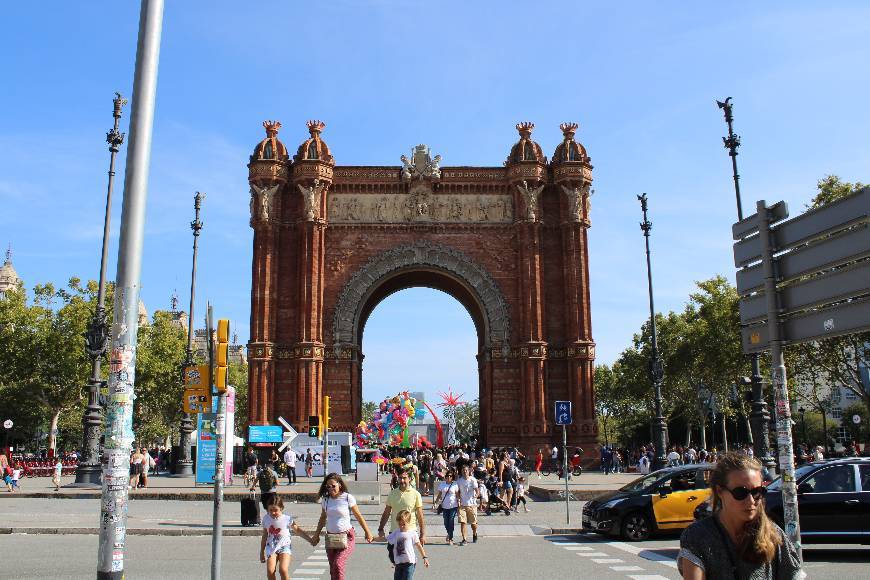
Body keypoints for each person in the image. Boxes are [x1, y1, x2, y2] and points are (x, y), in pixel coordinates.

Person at [677, 452, 803, 579]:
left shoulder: (774, 535)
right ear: (720, 491)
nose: (751, 501)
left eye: (756, 492)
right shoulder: (698, 536)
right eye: (740, 492)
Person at [312, 473, 374, 580]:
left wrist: (367, 532)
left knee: (338, 563)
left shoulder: (347, 498)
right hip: (331, 538)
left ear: (339, 484)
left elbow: (358, 515)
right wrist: (316, 534)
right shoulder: (326, 500)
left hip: (347, 536)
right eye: (328, 486)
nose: (331, 488)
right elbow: (322, 518)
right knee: (333, 569)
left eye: (333, 486)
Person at [259, 496, 314, 580]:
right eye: (270, 510)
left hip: (284, 547)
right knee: (270, 571)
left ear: (281, 508)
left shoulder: (287, 519)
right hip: (271, 547)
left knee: (283, 570)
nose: (273, 513)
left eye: (275, 510)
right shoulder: (266, 519)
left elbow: (298, 530)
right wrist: (261, 552)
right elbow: (264, 536)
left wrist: (310, 540)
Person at [378, 469, 426, 563]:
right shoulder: (393, 493)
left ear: (410, 479)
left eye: (404, 478)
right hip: (394, 531)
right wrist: (381, 528)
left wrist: (422, 534)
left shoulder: (416, 494)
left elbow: (420, 515)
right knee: (393, 555)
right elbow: (386, 512)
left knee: (404, 557)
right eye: (400, 478)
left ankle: (407, 572)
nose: (402, 480)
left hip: (409, 531)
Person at [387, 510, 429, 580]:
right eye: (399, 524)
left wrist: (425, 557)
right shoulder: (396, 532)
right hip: (399, 563)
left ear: (408, 522)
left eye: (403, 524)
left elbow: (419, 546)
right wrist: (373, 538)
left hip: (409, 563)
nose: (401, 526)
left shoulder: (412, 533)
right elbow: (385, 538)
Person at [433, 469, 459, 545]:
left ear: (452, 477)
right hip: (444, 506)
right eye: (447, 476)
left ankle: (451, 538)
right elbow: (439, 495)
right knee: (445, 522)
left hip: (453, 506)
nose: (448, 477)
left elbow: (457, 495)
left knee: (451, 521)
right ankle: (449, 533)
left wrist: (459, 503)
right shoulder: (442, 484)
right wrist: (435, 503)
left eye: (450, 476)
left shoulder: (455, 485)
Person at [456, 463, 480, 544]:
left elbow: (477, 490)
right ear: (461, 471)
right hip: (462, 505)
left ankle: (474, 533)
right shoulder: (459, 481)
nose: (465, 472)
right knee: (463, 522)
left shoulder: (473, 479)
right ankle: (464, 539)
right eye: (463, 470)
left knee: (473, 523)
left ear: (469, 471)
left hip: (471, 505)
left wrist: (476, 496)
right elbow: (458, 492)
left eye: (466, 470)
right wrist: (458, 500)